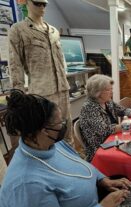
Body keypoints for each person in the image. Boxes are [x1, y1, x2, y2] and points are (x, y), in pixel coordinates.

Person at [0, 89, 131, 207]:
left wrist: (102, 179)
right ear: (44, 130)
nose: (64, 125)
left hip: (90, 204)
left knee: (125, 185)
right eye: (60, 123)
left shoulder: (52, 143)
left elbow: (81, 165)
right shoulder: (27, 186)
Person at [8, 0, 73, 146]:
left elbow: (61, 61)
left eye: (45, 4)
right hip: (42, 94)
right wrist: (17, 95)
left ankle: (71, 161)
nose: (42, 7)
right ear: (26, 3)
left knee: (66, 132)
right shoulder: (18, 30)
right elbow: (15, 64)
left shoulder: (54, 31)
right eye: (38, 3)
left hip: (62, 90)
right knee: (47, 136)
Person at [79, 75, 131, 162]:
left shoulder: (106, 101)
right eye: (108, 90)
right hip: (100, 149)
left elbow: (122, 110)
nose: (112, 92)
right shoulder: (89, 108)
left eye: (111, 89)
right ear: (97, 92)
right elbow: (105, 131)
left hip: (114, 138)